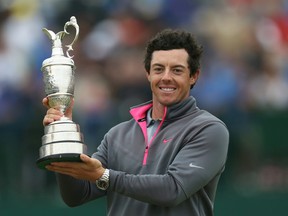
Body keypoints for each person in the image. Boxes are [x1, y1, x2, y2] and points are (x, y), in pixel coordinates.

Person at [43, 29, 229, 216]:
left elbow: (173, 190)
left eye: (177, 70)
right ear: (148, 74)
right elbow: (77, 195)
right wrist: (62, 139)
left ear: (194, 76)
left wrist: (104, 176)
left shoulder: (209, 129)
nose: (166, 77)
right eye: (158, 69)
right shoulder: (117, 135)